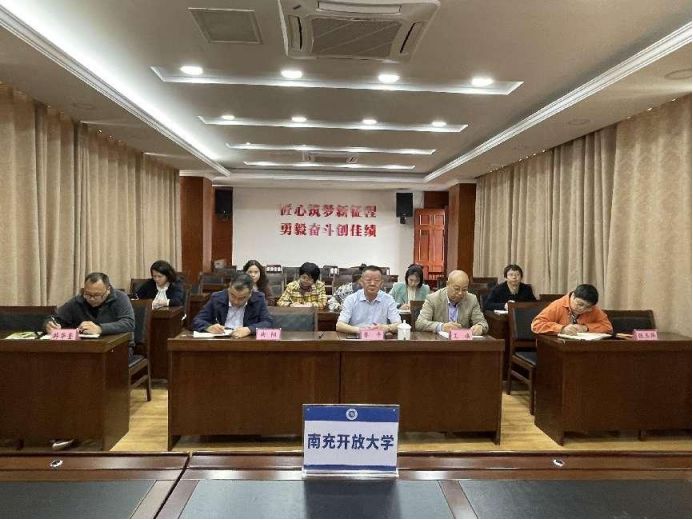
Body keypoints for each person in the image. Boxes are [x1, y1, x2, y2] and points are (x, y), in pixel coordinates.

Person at [45, 272, 135, 451]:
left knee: (85, 376)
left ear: (108, 290)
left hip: (118, 349)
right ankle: (64, 424)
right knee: (61, 374)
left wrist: (101, 328)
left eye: (97, 295)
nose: (92, 299)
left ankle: (81, 426)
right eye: (88, 294)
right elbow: (54, 317)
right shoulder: (78, 301)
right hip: (86, 351)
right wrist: (49, 324)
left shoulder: (120, 299)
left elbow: (129, 323)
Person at [192, 272, 273, 338]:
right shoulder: (217, 298)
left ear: (250, 293)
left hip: (246, 342)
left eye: (242, 298)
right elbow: (197, 320)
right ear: (229, 288)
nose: (236, 301)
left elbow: (268, 322)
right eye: (232, 295)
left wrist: (249, 329)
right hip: (221, 342)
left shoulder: (258, 299)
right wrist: (209, 327)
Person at [415, 270, 488, 336]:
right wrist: (441, 327)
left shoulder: (472, 299)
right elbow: (420, 323)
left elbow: (483, 323)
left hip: (462, 342)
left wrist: (480, 327)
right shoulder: (433, 299)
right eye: (456, 289)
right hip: (439, 342)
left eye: (464, 290)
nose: (460, 293)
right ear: (447, 284)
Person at [336, 265, 401, 334]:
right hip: (357, 338)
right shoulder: (351, 299)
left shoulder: (388, 299)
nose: (372, 284)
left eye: (376, 280)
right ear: (361, 282)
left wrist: (387, 328)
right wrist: (360, 330)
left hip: (380, 338)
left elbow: (399, 324)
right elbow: (339, 325)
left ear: (381, 283)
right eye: (368, 280)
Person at [531, 284, 612, 335]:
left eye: (587, 307)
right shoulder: (558, 305)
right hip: (556, 347)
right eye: (580, 304)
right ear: (573, 296)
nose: (582, 309)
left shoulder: (593, 309)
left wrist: (586, 328)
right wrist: (562, 329)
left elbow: (608, 327)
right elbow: (536, 324)